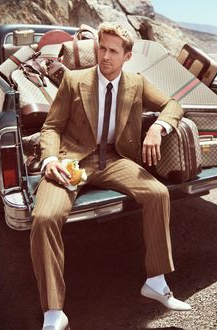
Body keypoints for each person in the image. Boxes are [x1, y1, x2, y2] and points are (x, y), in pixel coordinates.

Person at [31, 22, 191, 330]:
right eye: (101, 49)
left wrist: (158, 127)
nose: (105, 57)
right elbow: (51, 127)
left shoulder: (136, 82)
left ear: (127, 56)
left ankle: (156, 282)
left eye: (113, 51)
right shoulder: (74, 80)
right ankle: (54, 312)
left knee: (158, 194)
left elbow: (172, 104)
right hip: (72, 159)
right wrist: (50, 158)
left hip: (116, 158)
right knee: (44, 217)